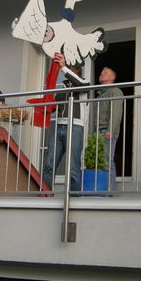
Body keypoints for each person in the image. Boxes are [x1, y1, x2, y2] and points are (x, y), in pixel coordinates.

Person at [42, 53, 89, 192]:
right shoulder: (62, 87)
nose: (66, 68)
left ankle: (73, 198)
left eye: (69, 66)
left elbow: (80, 85)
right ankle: (45, 195)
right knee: (49, 164)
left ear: (76, 69)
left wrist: (63, 68)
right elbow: (54, 107)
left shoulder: (85, 82)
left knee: (73, 166)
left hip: (75, 126)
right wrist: (48, 94)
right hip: (59, 126)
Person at [94, 67, 124, 191]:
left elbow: (116, 112)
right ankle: (102, 189)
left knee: (107, 161)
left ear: (112, 78)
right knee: (100, 162)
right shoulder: (101, 93)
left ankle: (108, 191)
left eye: (105, 72)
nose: (101, 73)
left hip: (107, 132)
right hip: (98, 132)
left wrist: (110, 130)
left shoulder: (115, 91)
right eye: (101, 72)